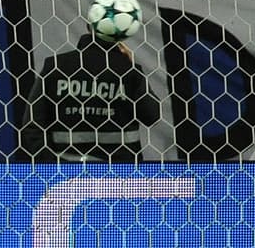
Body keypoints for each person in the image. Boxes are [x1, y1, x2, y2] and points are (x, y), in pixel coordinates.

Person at [20, 30, 159, 162]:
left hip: (66, 177)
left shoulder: (56, 66)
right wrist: (133, 69)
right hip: (122, 176)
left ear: (89, 26)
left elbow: (32, 126)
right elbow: (153, 116)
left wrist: (54, 167)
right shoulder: (128, 70)